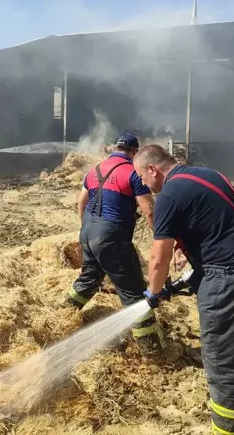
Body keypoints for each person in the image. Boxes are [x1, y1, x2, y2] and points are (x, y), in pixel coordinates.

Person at [133, 144, 234, 435]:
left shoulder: (167, 196)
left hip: (231, 283)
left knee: (226, 371)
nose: (142, 183)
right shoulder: (209, 175)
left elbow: (157, 259)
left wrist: (153, 293)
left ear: (153, 169)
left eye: (141, 176)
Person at [62, 134, 165, 354]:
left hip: (88, 233)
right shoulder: (133, 173)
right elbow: (148, 209)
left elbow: (81, 202)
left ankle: (63, 313)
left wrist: (88, 232)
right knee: (134, 292)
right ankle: (152, 349)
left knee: (89, 278)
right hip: (111, 238)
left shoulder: (95, 170)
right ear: (135, 152)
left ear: (115, 149)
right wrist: (161, 236)